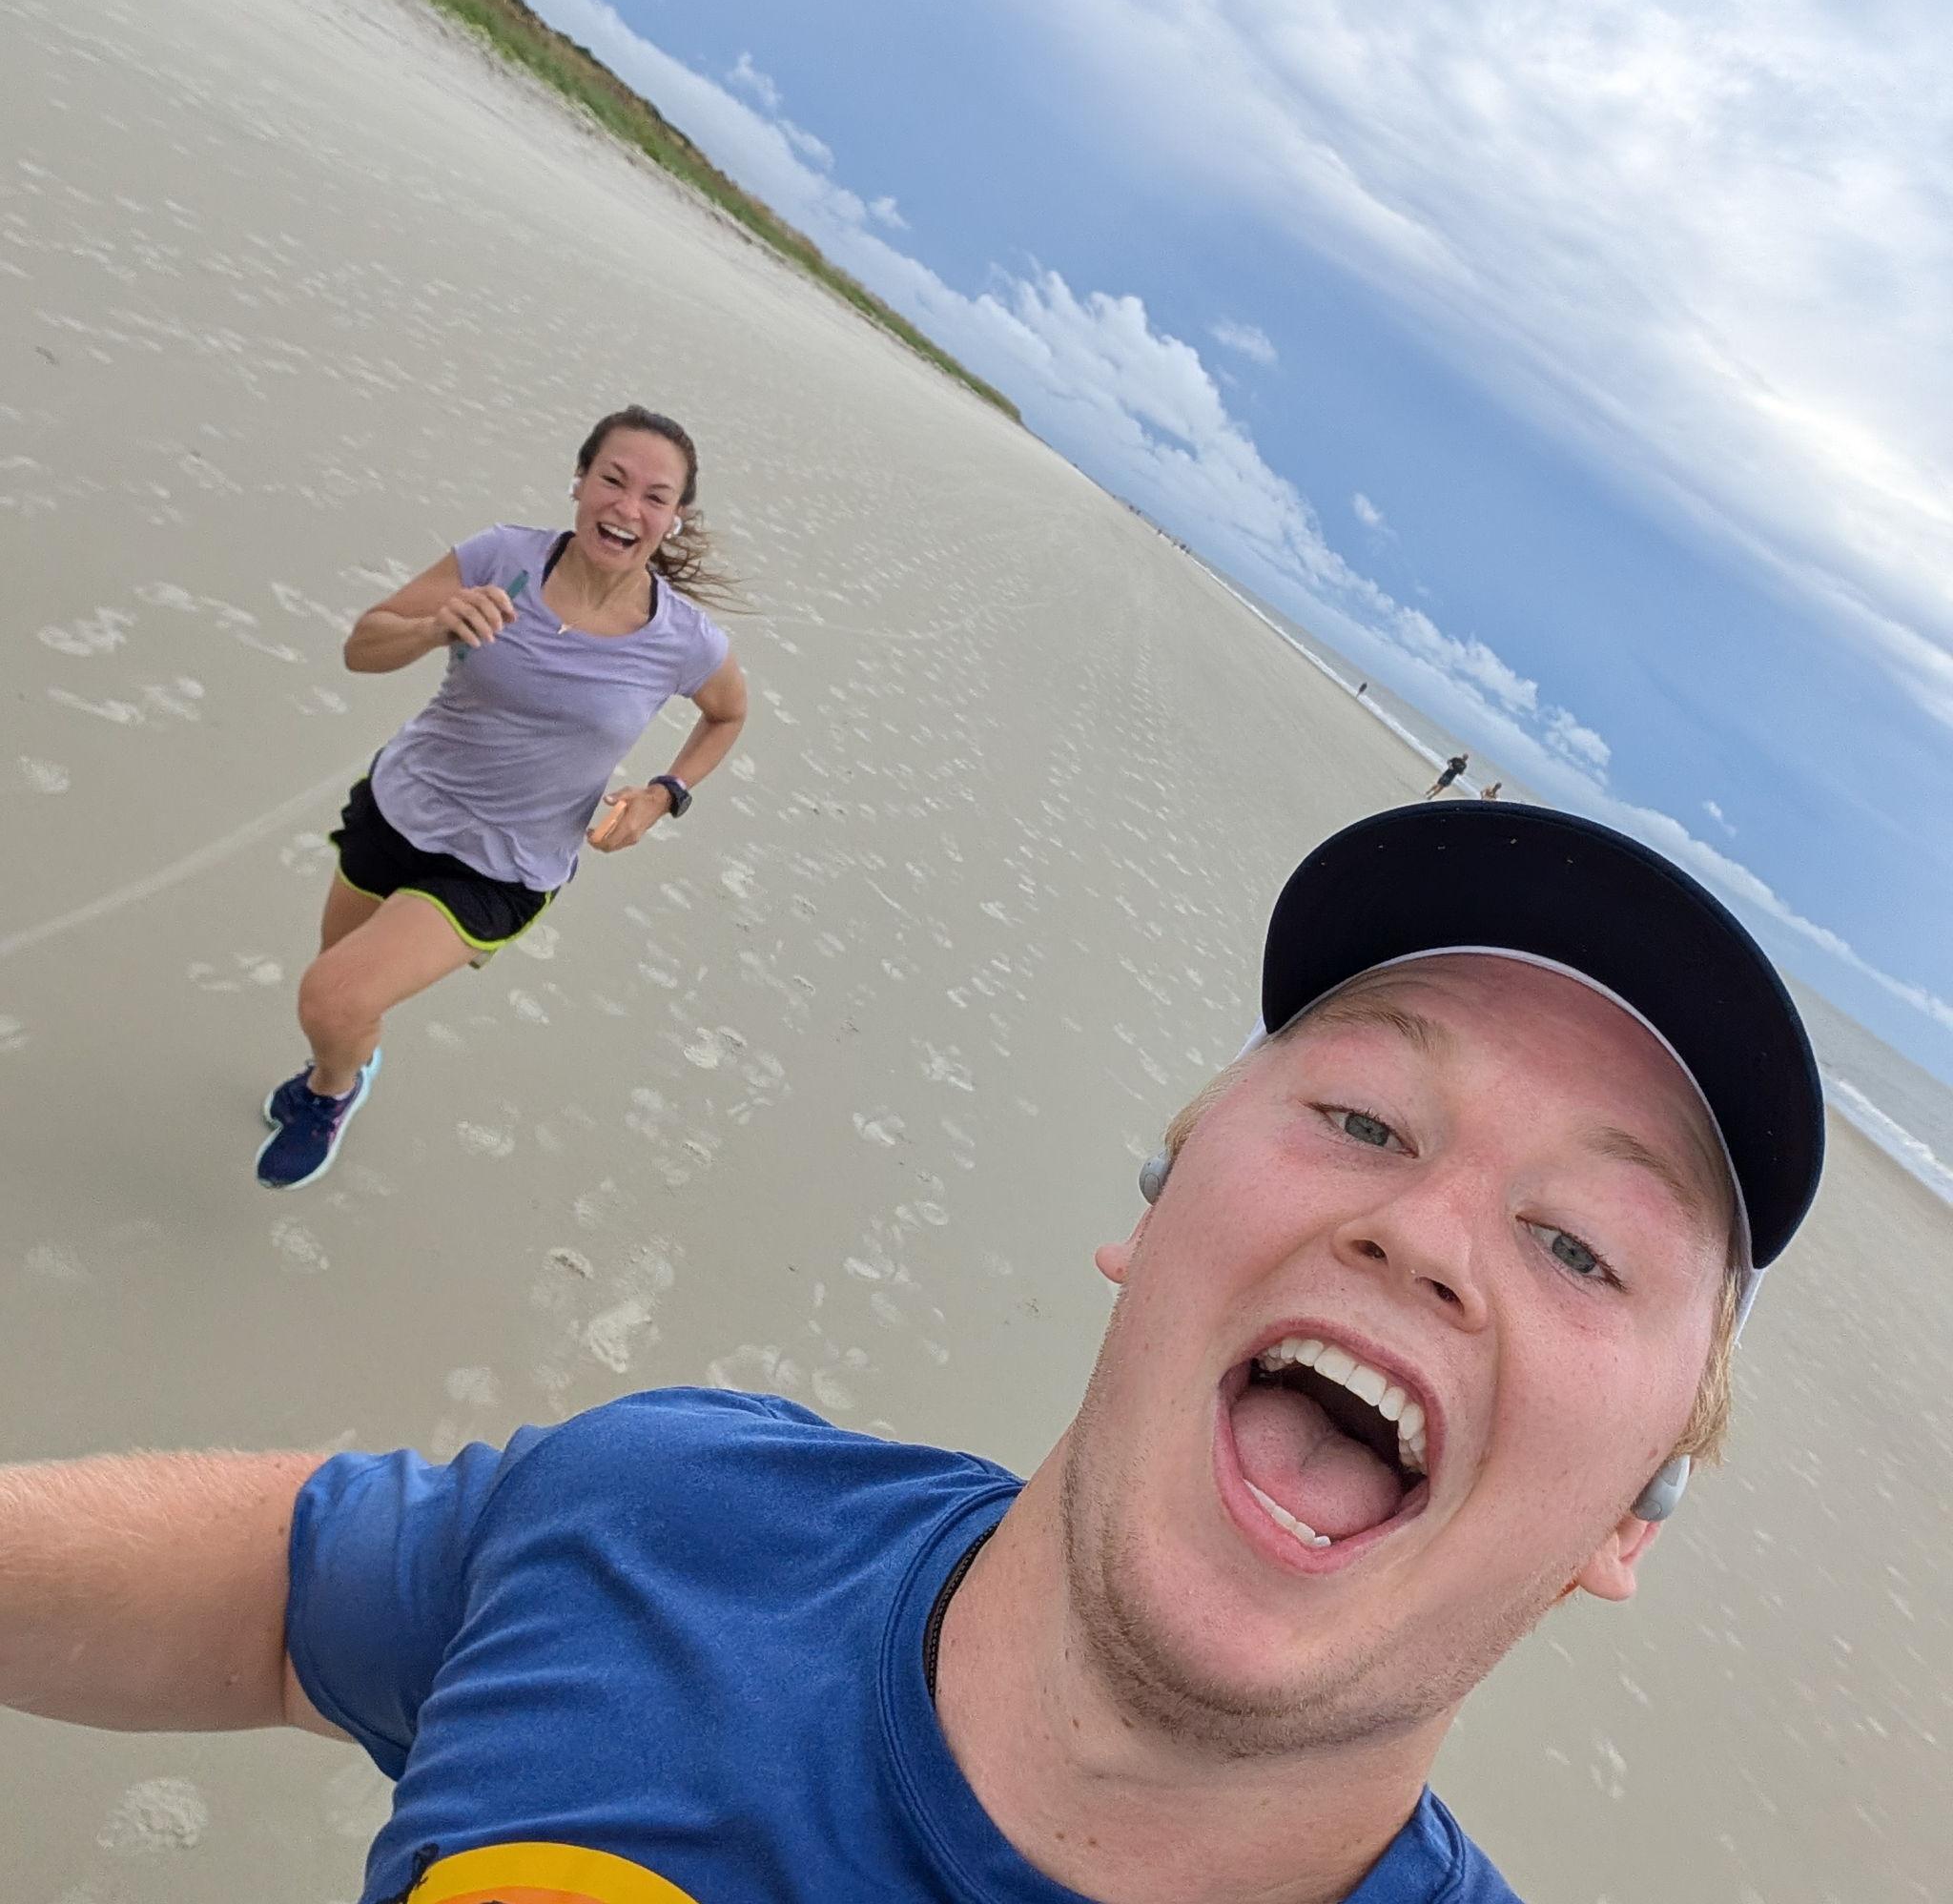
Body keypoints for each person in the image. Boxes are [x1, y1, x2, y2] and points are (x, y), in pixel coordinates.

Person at [0, 803, 1824, 1904]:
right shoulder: (658, 1518)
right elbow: (262, 1603)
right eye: (1358, 1116)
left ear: (1634, 1513)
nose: (1422, 1232)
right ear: (1159, 1197)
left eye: (1581, 1243)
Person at [255, 406, 748, 1191]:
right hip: (400, 807)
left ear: (675, 518)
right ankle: (341, 1056)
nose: (627, 507)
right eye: (612, 481)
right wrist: (432, 629)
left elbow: (727, 715)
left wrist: (665, 793)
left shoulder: (684, 640)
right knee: (340, 999)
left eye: (655, 497)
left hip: (504, 865)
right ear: (580, 480)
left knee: (331, 997)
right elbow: (362, 646)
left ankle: (329, 1093)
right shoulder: (501, 556)